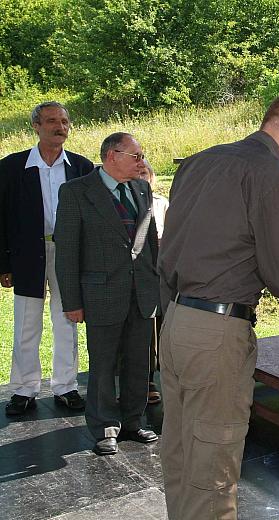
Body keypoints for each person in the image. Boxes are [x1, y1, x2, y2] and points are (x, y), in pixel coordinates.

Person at [157, 89, 279, 520]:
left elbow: (168, 249)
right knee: (213, 465)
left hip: (176, 322)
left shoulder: (198, 163)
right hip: (217, 333)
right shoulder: (270, 173)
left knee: (180, 453)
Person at [54, 132, 160, 456]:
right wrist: (72, 302)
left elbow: (150, 242)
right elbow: (67, 252)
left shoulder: (141, 188)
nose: (141, 162)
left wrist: (155, 284)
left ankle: (133, 420)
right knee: (102, 365)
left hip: (141, 293)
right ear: (112, 156)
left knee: (139, 362)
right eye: (136, 156)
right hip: (101, 294)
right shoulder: (76, 191)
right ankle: (104, 428)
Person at [0, 101, 93, 415]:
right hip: (27, 255)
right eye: (52, 121)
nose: (60, 127)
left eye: (64, 121)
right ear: (36, 126)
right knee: (26, 324)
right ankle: (24, 389)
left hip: (69, 254)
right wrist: (3, 263)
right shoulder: (12, 167)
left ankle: (66, 387)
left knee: (67, 320)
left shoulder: (81, 167)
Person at [139, 159, 168, 405]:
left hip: (161, 272)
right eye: (137, 173)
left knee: (162, 328)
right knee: (142, 331)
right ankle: (142, 380)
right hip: (137, 273)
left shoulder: (162, 203)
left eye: (145, 173)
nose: (142, 177)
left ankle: (161, 377)